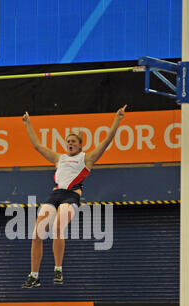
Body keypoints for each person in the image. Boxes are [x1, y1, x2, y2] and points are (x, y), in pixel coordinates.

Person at [21, 105, 127, 288]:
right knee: (37, 234)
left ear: (80, 145)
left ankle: (58, 269)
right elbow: (37, 146)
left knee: (57, 228)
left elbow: (107, 140)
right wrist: (28, 124)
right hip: (55, 195)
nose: (69, 143)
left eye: (73, 141)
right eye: (68, 141)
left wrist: (117, 119)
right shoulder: (58, 158)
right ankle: (34, 275)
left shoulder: (87, 158)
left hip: (71, 197)